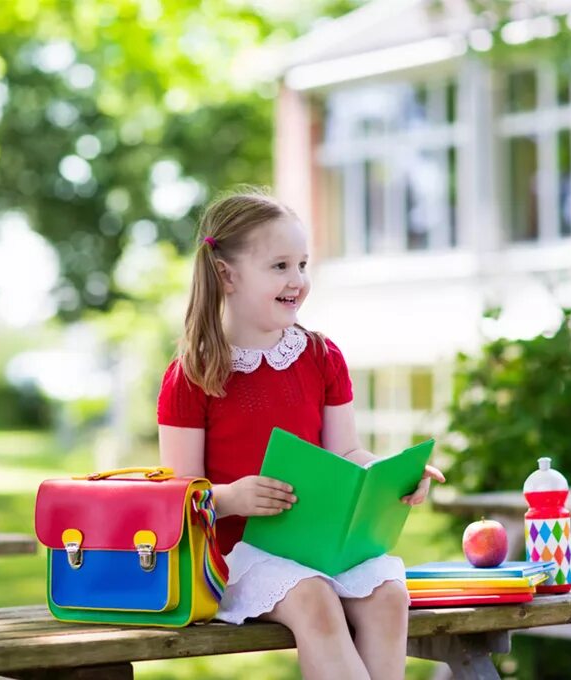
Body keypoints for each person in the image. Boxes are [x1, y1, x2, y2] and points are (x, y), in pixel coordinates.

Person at [157, 189, 445, 680]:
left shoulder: (321, 356)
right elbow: (178, 497)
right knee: (315, 599)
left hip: (322, 545)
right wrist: (232, 497)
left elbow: (347, 452)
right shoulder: (193, 374)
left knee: (389, 598)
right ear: (228, 275)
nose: (298, 281)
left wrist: (392, 475)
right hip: (235, 557)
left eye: (303, 264)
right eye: (280, 266)